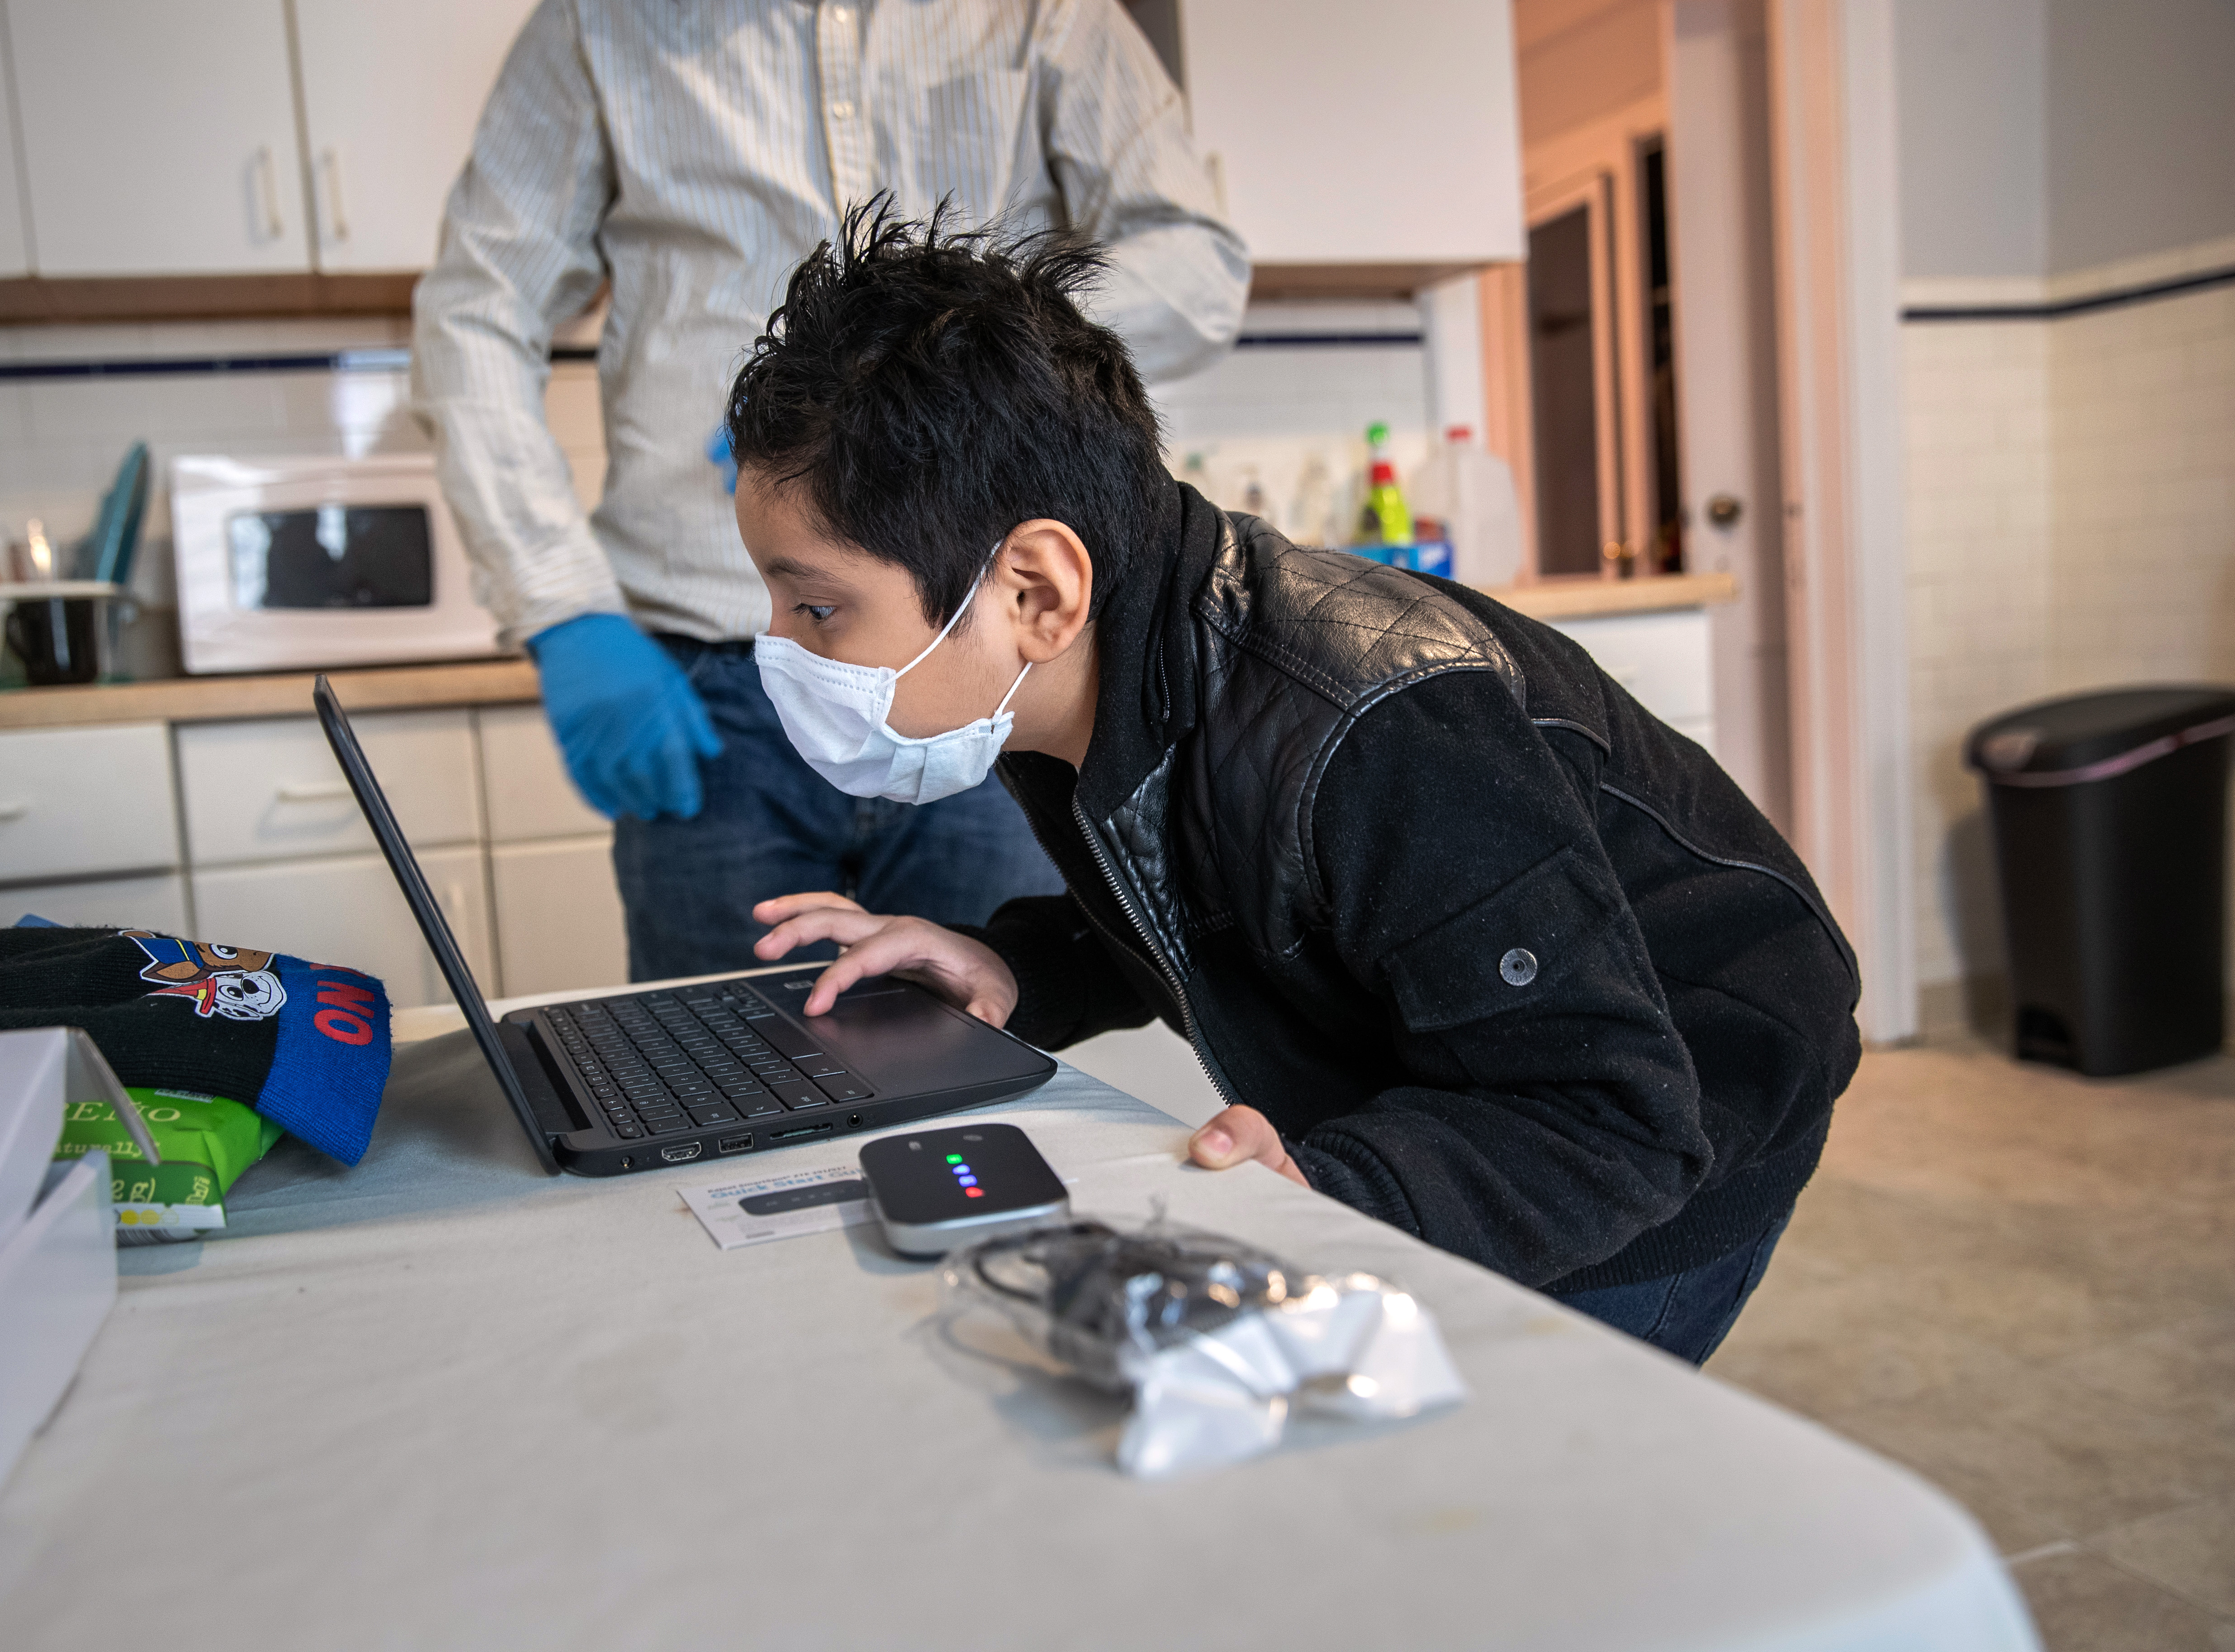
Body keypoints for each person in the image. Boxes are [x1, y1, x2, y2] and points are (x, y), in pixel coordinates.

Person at [726, 209, 1862, 1366]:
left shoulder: (1379, 725)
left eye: (817, 608)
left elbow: (1609, 1119)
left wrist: (1323, 1189)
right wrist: (1023, 965)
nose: (778, 649)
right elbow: (1206, 888)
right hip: (1470, 1091)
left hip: (1651, 1138)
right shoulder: (1067, 672)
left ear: (1033, 588)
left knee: (1513, 1476)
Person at [412, 0, 1248, 980]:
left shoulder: (1046, 13)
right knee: (721, 1091)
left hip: (979, 674)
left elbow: (1196, 263)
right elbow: (476, 310)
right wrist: (561, 607)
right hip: (708, 687)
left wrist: (942, 386)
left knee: (994, 1057)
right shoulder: (601, 23)